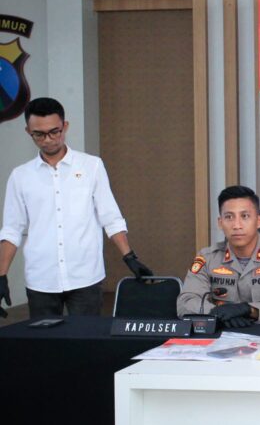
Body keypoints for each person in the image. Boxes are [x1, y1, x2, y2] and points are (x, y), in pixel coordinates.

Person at [0, 97, 151, 318]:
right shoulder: (20, 176)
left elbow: (110, 217)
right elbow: (12, 229)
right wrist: (1, 275)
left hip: (85, 276)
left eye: (55, 132)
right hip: (41, 278)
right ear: (28, 132)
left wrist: (129, 257)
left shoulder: (91, 166)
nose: (48, 140)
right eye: (39, 134)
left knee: (85, 343)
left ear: (65, 126)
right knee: (44, 346)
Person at [176, 185, 260, 328]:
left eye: (245, 216)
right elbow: (185, 302)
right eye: (229, 217)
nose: (237, 225)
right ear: (220, 223)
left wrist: (250, 310)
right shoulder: (207, 258)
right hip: (221, 334)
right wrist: (218, 314)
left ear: (259, 221)